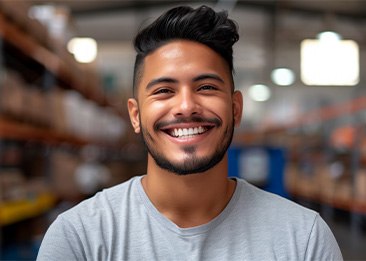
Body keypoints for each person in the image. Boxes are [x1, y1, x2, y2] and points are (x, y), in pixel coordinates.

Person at [37, 5, 343, 260]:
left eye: (206, 87)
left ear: (236, 108)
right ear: (135, 115)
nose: (186, 106)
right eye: (164, 90)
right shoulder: (79, 239)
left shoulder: (304, 240)